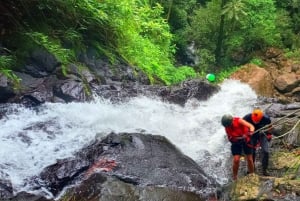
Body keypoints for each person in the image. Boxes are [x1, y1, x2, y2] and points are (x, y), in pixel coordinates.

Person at [221, 114, 255, 180]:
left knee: (250, 159)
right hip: (236, 142)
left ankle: (252, 174)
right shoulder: (227, 126)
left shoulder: (239, 121)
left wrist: (251, 132)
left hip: (246, 140)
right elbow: (230, 135)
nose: (227, 127)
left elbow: (251, 126)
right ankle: (235, 177)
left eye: (228, 125)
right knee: (236, 160)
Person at [243, 109, 272, 176]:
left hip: (262, 133)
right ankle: (251, 169)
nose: (255, 122)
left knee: (266, 151)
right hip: (251, 134)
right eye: (254, 120)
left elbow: (270, 126)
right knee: (252, 152)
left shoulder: (266, 118)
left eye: (257, 121)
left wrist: (269, 134)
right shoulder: (247, 117)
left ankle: (264, 170)